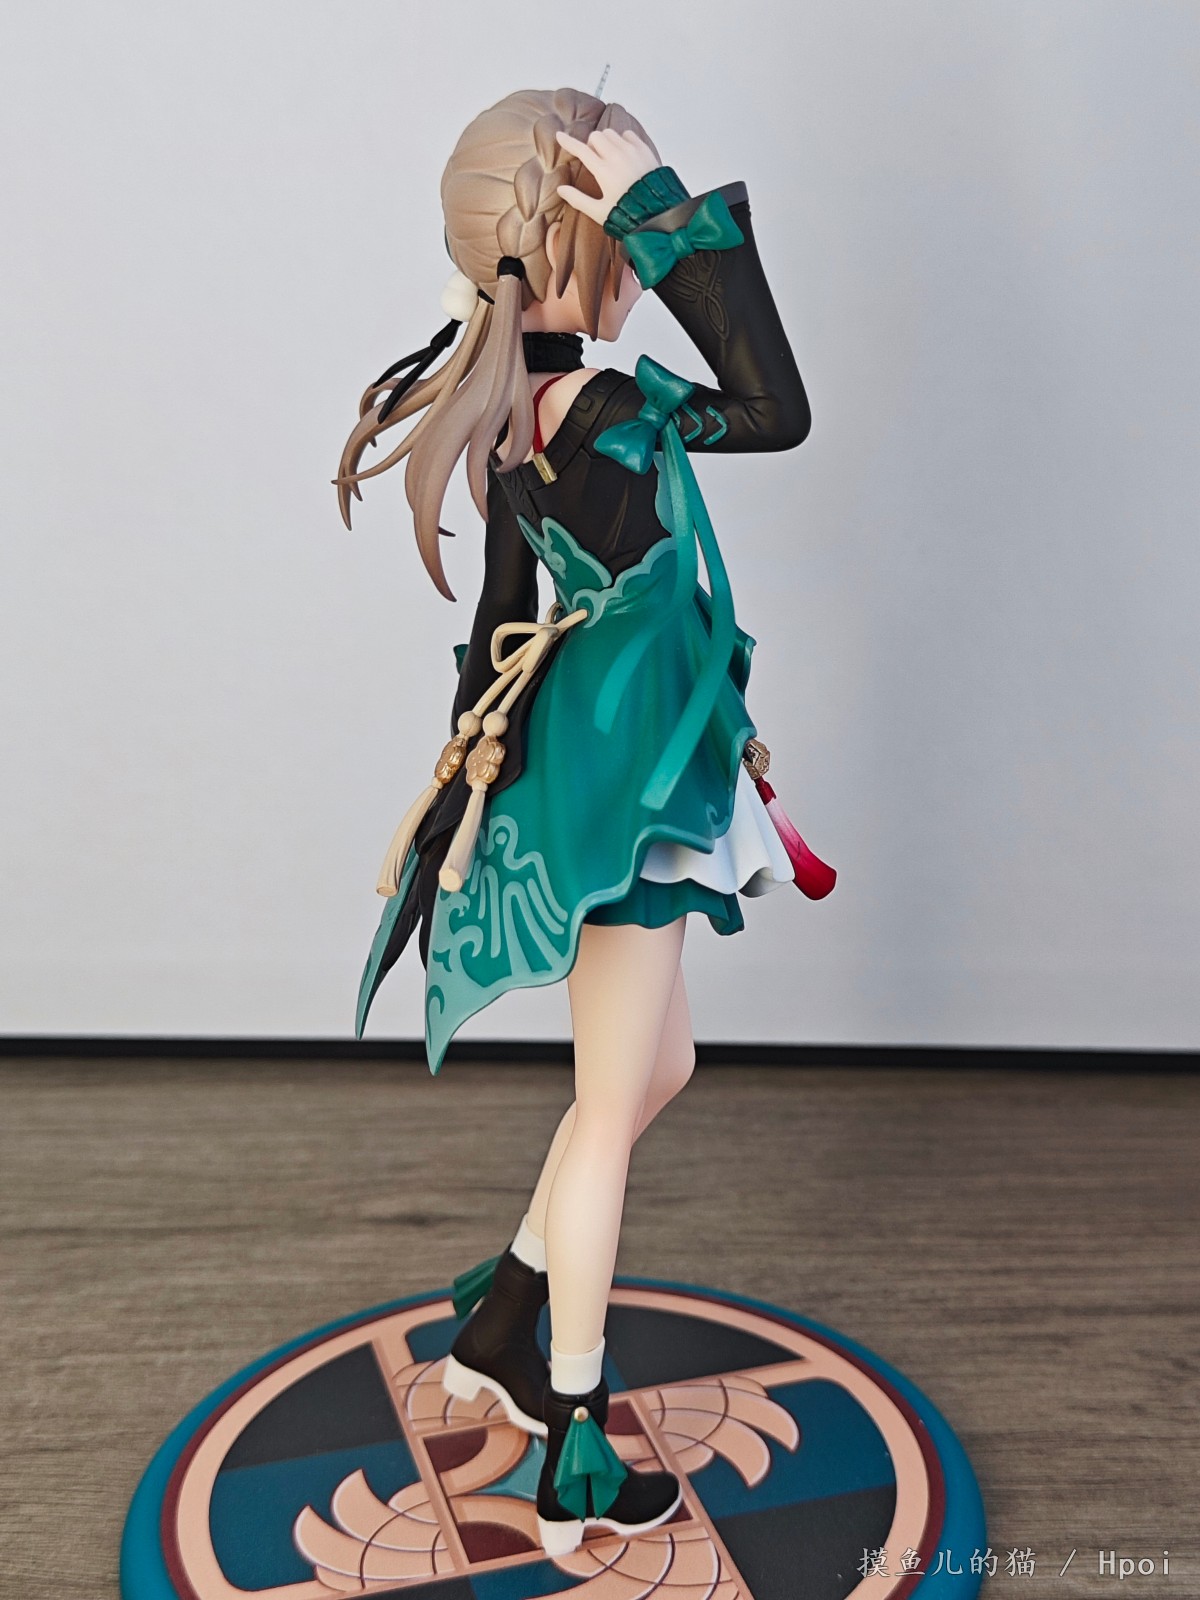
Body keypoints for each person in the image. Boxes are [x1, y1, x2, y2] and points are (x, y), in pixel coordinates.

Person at [335, 86, 812, 1556]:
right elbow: (776, 410)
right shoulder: (602, 413)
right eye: (618, 245)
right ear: (571, 248)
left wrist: (471, 780)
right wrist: (670, 219)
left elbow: (496, 628)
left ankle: (500, 1322)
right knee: (613, 1106)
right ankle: (576, 1443)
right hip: (623, 787)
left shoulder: (510, 418)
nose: (636, 273)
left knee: (657, 1067)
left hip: (602, 758)